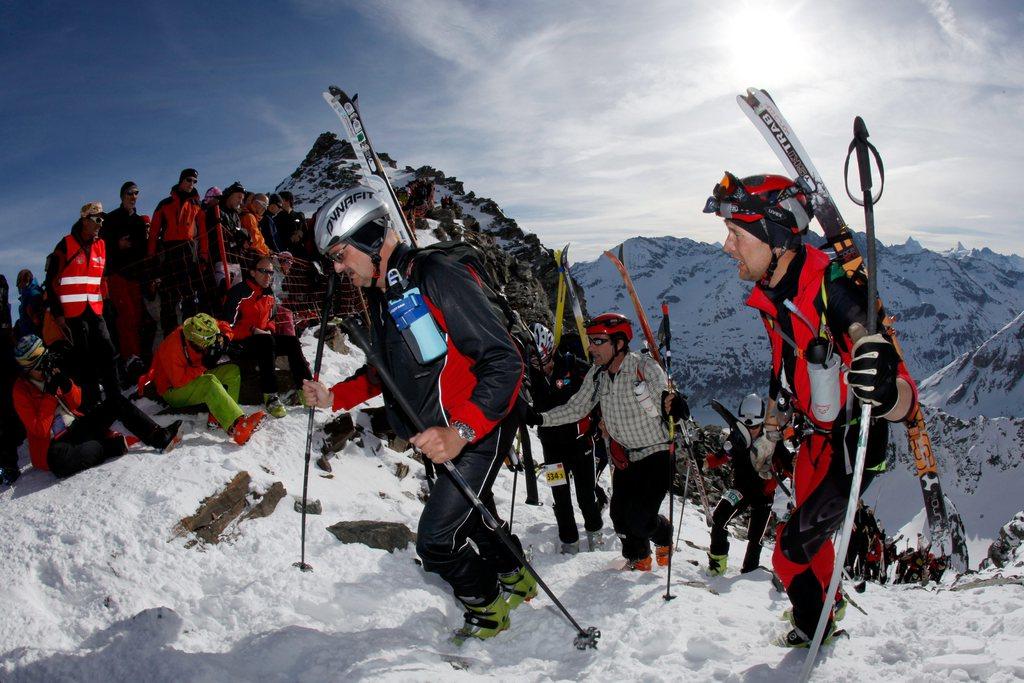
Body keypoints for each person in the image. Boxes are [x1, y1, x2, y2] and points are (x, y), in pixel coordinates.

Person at [302, 185, 534, 642]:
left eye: (339, 254)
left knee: (435, 541)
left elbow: (504, 361)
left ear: (370, 237)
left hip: (475, 430)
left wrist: (462, 430)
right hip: (438, 435)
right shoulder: (390, 293)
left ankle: (488, 608)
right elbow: (384, 371)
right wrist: (334, 398)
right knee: (475, 511)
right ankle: (517, 576)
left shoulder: (436, 276)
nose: (337, 268)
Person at [705, 171, 918, 647]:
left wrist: (884, 386)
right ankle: (831, 597)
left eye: (736, 234)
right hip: (814, 441)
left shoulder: (830, 286)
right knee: (810, 532)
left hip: (852, 448)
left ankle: (813, 629)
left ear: (777, 239)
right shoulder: (775, 293)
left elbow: (899, 390)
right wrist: (775, 422)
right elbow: (783, 362)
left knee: (788, 553)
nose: (726, 247)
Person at [525, 313, 687, 572]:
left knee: (640, 519)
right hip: (624, 457)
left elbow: (664, 395)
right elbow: (576, 407)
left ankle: (663, 533)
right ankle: (639, 558)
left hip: (655, 454)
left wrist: (673, 404)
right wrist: (539, 418)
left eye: (598, 341)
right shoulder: (597, 375)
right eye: (590, 341)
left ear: (619, 343)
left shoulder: (642, 367)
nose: (591, 347)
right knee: (619, 519)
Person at [12, 335, 182, 478]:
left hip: (77, 427)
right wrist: (49, 395)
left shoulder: (52, 371)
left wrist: (66, 385)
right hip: (55, 444)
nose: (45, 369)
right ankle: (108, 446)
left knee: (115, 401)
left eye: (45, 362)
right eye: (39, 366)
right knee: (59, 463)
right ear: (28, 370)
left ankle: (160, 437)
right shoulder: (20, 391)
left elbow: (78, 402)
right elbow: (39, 429)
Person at [527, 322, 603, 554]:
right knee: (560, 497)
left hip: (580, 444)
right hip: (551, 448)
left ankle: (595, 537)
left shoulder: (574, 367)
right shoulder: (531, 375)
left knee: (586, 496)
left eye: (542, 359)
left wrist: (600, 421)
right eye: (533, 359)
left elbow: (597, 392)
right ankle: (569, 542)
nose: (540, 365)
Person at [143, 313, 266, 446]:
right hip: (173, 390)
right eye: (210, 340)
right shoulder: (171, 348)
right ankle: (238, 426)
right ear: (198, 341)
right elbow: (179, 381)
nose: (214, 341)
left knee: (232, 371)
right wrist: (204, 365)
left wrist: (225, 338)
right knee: (209, 382)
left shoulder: (202, 326)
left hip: (192, 375)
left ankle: (219, 418)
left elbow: (223, 324)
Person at [43, 202, 120, 409]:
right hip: (73, 314)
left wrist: (108, 303)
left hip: (95, 309)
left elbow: (101, 278)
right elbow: (51, 283)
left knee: (108, 350)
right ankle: (92, 401)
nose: (100, 223)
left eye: (102, 219)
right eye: (96, 219)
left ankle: (115, 396)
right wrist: (58, 314)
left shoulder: (102, 245)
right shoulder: (66, 244)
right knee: (84, 359)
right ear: (84, 220)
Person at [221, 256, 311, 417]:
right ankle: (270, 395)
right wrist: (253, 330)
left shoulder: (268, 294)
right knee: (266, 341)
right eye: (263, 271)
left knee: (291, 342)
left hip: (262, 341)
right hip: (238, 344)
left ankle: (307, 390)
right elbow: (226, 326)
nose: (268, 276)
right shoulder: (239, 292)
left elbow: (270, 321)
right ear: (252, 272)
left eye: (270, 272)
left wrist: (268, 329)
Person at [704, 393, 784, 576]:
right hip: (740, 488)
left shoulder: (772, 437)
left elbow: (785, 460)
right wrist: (706, 462)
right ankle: (717, 564)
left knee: (756, 536)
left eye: (756, 425)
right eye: (748, 425)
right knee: (719, 518)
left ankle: (750, 572)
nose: (752, 429)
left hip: (764, 493)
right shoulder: (737, 436)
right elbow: (723, 455)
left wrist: (792, 464)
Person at [148, 168, 211, 338]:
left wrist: (204, 256)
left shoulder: (197, 205)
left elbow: (203, 234)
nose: (192, 184)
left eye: (194, 181)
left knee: (191, 296)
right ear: (181, 180)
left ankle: (191, 336)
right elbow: (153, 233)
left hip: (189, 252)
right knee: (169, 298)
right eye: (189, 180)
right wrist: (152, 258)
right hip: (169, 252)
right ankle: (171, 338)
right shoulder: (164, 204)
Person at [104, 181, 151, 374]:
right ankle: (130, 356)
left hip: (136, 274)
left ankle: (137, 355)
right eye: (130, 193)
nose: (134, 197)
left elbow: (145, 248)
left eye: (136, 193)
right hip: (117, 273)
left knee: (138, 316)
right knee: (126, 315)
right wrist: (117, 245)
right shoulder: (111, 219)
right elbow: (103, 245)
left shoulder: (139, 222)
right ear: (123, 195)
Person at [274, 191, 310, 261]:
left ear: (288, 201)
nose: (279, 203)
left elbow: (307, 234)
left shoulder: (299, 215)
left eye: (281, 200)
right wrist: (291, 239)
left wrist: (301, 234)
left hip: (302, 253)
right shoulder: (276, 218)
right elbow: (277, 238)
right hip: (285, 255)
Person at [15, 269, 45, 339]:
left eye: (19, 283)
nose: (19, 287)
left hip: (34, 336)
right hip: (29, 334)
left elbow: (37, 320)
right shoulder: (29, 293)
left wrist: (32, 315)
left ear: (24, 281)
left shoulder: (33, 294)